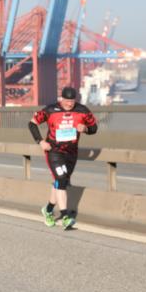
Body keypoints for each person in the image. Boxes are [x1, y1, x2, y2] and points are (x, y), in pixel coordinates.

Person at [28, 86, 98, 229]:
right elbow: (32, 123)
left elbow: (94, 128)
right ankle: (65, 216)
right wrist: (40, 141)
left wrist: (85, 129)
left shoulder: (82, 111)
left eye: (72, 101)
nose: (69, 104)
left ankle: (48, 210)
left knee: (61, 182)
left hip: (71, 153)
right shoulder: (50, 110)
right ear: (61, 99)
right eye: (67, 101)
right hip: (54, 151)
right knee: (61, 179)